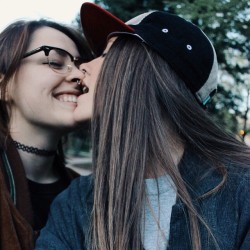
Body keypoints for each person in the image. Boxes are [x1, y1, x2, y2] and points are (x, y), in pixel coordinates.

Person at [35, 2, 250, 250]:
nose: (83, 66)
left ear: (147, 71)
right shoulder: (75, 203)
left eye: (106, 55)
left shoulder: (241, 193)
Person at [0, 19, 93, 250]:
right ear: (3, 86)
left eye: (82, 67)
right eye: (54, 61)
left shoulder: (86, 193)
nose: (78, 77)